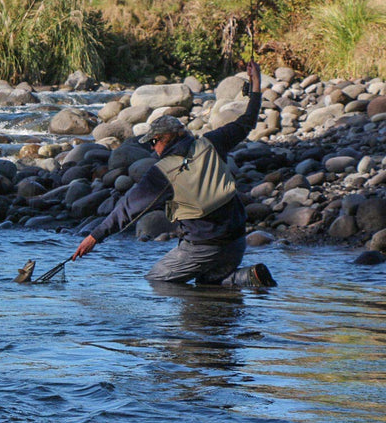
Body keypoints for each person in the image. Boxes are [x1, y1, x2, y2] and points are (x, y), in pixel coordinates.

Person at [71, 61, 276, 287]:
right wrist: (255, 84)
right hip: (237, 241)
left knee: (157, 281)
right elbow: (247, 122)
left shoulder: (163, 172)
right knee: (207, 282)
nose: (152, 148)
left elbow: (127, 208)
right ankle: (246, 277)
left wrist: (94, 236)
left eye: (153, 142)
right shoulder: (212, 142)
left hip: (204, 246)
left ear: (164, 139)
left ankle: (235, 280)